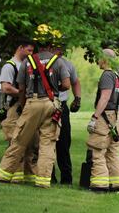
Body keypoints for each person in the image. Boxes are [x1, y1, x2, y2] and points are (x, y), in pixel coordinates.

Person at [0, 25, 71, 188]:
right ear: (51, 45)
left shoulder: (27, 62)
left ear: (37, 45)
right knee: (47, 142)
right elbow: (66, 85)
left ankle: (3, 175)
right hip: (52, 104)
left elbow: (21, 89)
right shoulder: (58, 62)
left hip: (32, 102)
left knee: (19, 140)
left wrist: (23, 105)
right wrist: (53, 89)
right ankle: (43, 181)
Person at [86, 48, 119, 192]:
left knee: (97, 149)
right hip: (117, 116)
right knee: (113, 151)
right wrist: (117, 104)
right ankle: (116, 184)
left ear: (105, 59)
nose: (97, 61)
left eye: (98, 58)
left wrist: (95, 117)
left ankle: (100, 185)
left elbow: (104, 98)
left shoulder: (107, 75)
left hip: (105, 116)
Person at [0, 39, 36, 183]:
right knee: (15, 143)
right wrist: (24, 94)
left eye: (32, 51)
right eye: (29, 50)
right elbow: (6, 88)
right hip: (13, 109)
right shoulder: (10, 66)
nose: (31, 54)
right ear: (20, 48)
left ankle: (25, 176)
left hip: (25, 108)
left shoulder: (27, 65)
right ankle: (14, 176)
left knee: (28, 143)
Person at [52, 45, 81, 185]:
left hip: (62, 106)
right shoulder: (41, 63)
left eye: (62, 47)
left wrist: (77, 98)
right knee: (47, 142)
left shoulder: (67, 64)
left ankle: (66, 179)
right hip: (48, 104)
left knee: (64, 143)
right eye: (58, 47)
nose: (61, 50)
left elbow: (75, 82)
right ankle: (49, 176)